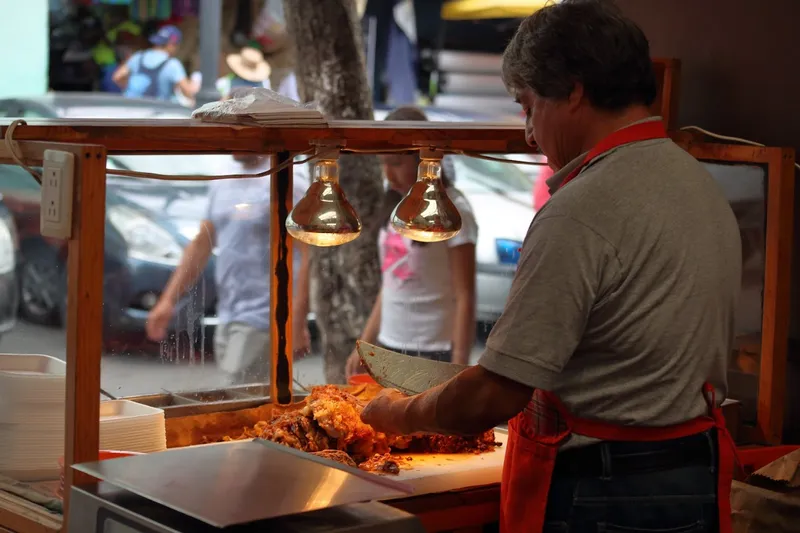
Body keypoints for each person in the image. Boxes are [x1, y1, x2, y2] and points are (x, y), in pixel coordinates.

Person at [360, 2, 741, 533]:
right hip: (691, 476)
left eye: (528, 105)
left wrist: (394, 414)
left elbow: (496, 393)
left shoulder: (581, 209)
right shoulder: (697, 182)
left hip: (608, 492)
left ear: (574, 91)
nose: (529, 133)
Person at [145, 136, 311, 384]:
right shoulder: (224, 179)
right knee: (244, 403)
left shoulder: (288, 181)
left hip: (267, 317)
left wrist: (296, 323)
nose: (230, 141)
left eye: (237, 134)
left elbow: (309, 256)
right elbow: (202, 242)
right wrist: (168, 300)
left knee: (236, 398)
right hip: (229, 312)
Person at [345, 106, 478, 376]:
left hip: (433, 348)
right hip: (389, 342)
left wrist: (459, 363)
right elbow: (391, 281)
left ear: (424, 159)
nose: (388, 174)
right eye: (383, 164)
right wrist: (365, 344)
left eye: (395, 164)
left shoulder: (454, 208)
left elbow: (465, 293)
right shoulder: (395, 203)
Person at [112, 25, 195, 102]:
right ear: (171, 45)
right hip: (156, 112)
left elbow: (117, 77)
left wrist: (134, 89)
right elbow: (187, 91)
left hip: (131, 106)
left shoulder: (138, 56)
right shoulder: (173, 64)